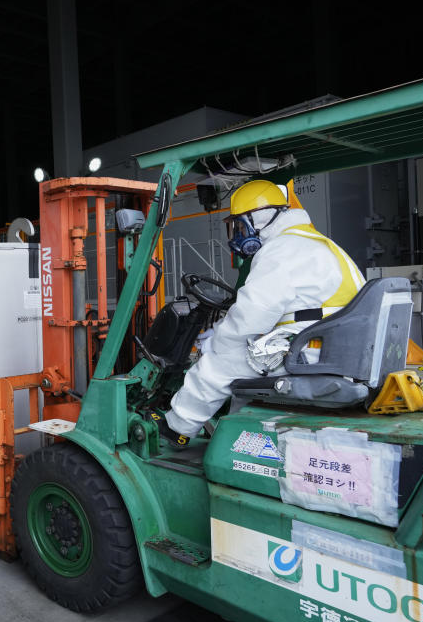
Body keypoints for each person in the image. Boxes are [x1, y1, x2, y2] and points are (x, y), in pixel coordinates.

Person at [156, 180, 365, 447]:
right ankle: (237, 445)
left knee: (222, 361)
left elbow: (249, 319)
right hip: (330, 349)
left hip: (310, 352)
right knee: (245, 374)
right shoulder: (316, 244)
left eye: (239, 226)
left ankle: (177, 429)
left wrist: (212, 341)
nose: (238, 234)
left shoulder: (282, 250)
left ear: (258, 220)